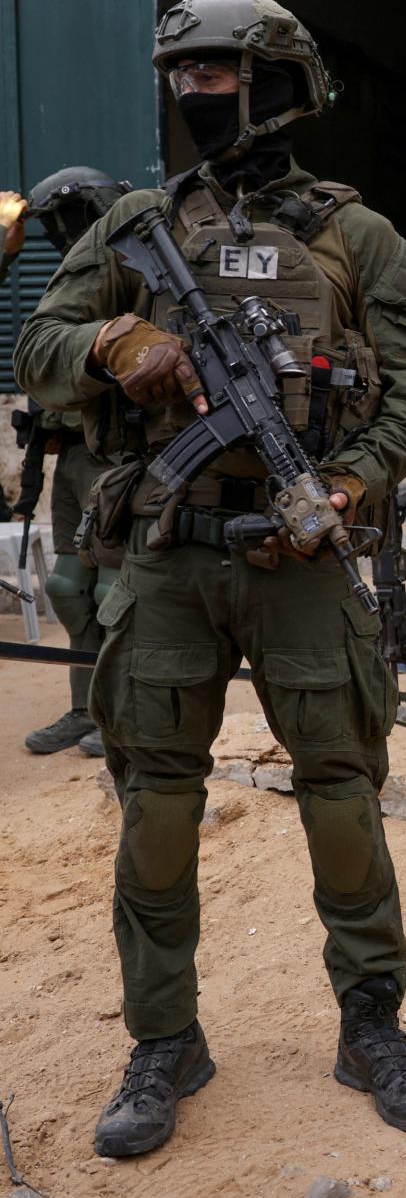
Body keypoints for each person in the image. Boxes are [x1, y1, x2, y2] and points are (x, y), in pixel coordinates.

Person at [16, 0, 406, 1157]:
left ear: (276, 84)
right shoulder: (137, 227)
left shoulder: (356, 237)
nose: (193, 96)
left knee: (343, 798)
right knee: (157, 806)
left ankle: (371, 1025)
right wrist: (119, 343)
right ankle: (165, 1040)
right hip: (168, 558)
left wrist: (347, 487)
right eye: (181, 77)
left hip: (303, 558)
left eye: (215, 75)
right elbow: (38, 349)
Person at [7, 168, 133, 757]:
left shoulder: (136, 277)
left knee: (115, 592)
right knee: (65, 587)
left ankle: (121, 713)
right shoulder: (69, 282)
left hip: (122, 459)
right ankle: (84, 709)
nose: (63, 233)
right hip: (71, 459)